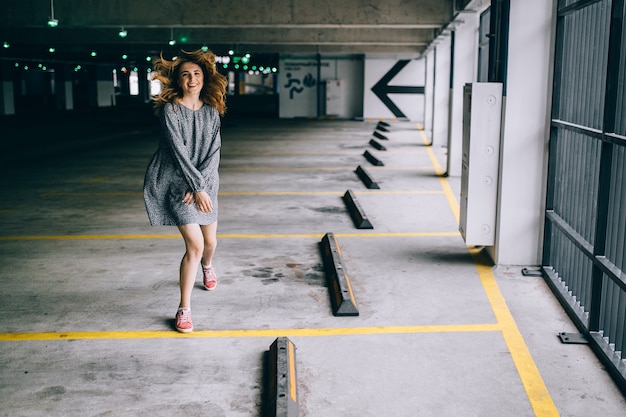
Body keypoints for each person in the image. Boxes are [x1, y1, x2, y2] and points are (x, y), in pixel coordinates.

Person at [143, 49, 227, 333]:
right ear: (178, 80)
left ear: (205, 78)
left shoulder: (212, 111)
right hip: (176, 183)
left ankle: (208, 266)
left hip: (205, 183)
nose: (192, 79)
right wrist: (194, 187)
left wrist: (202, 187)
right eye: (186, 75)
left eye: (197, 74)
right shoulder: (171, 110)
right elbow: (178, 153)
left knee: (210, 243)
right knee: (195, 245)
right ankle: (184, 309)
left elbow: (214, 151)